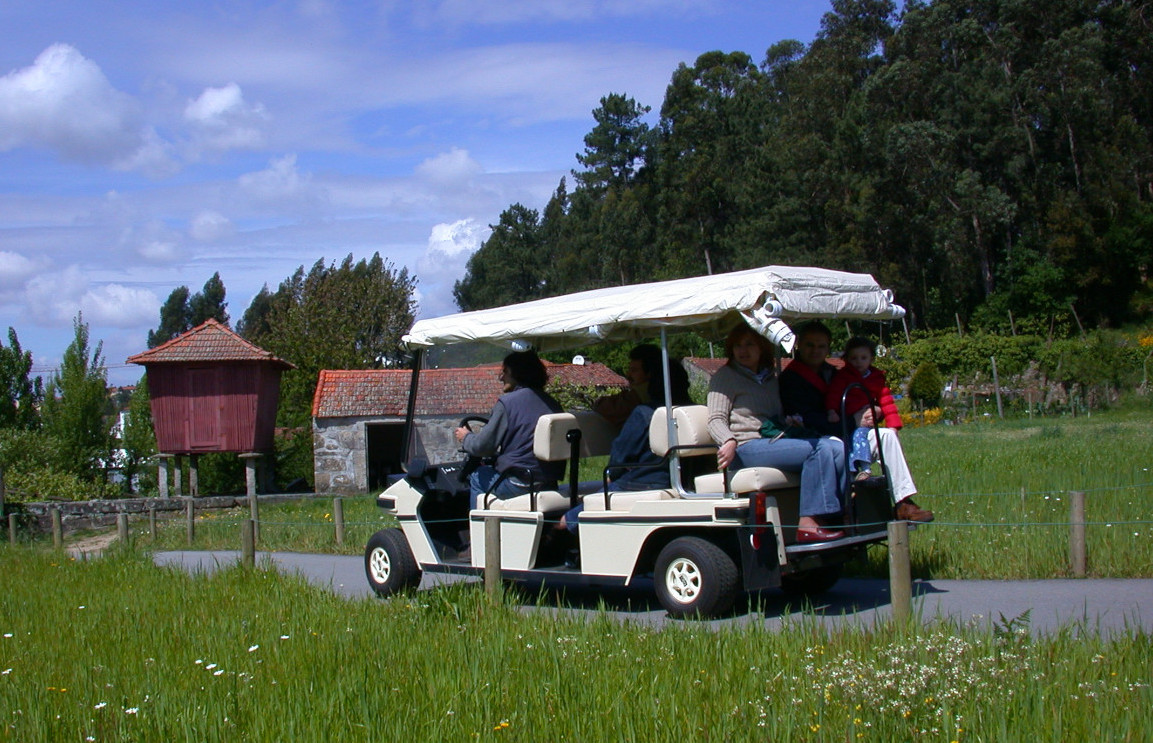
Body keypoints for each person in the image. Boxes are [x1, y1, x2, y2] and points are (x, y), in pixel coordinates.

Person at [706, 323, 847, 543]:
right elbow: (715, 419)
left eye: (749, 344)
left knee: (837, 448)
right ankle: (809, 522)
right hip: (746, 446)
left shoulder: (769, 378)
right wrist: (728, 440)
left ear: (761, 347)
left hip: (773, 441)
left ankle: (840, 516)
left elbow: (774, 417)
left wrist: (790, 422)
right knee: (817, 449)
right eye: (738, 346)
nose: (743, 350)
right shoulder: (726, 376)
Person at [780, 321, 933, 522]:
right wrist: (853, 420)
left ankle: (903, 501)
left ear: (828, 348)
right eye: (810, 345)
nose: (816, 351)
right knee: (834, 447)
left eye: (822, 346)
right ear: (798, 345)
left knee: (885, 436)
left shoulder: (834, 373)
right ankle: (843, 508)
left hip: (848, 431)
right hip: (817, 438)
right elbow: (807, 418)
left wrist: (874, 409)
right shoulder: (790, 379)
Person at [559, 348, 693, 535]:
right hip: (686, 480)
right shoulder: (692, 410)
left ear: (652, 380)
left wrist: (612, 476)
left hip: (645, 481)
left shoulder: (644, 413)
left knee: (568, 520)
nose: (629, 375)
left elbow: (619, 460)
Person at [454, 350, 563, 510]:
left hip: (519, 484)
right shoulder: (553, 404)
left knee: (477, 477)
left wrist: (466, 437)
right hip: (548, 483)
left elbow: (482, 447)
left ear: (516, 372)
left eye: (504, 371)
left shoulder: (507, 403)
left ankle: (479, 532)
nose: (500, 377)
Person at [825, 336, 902, 480]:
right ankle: (855, 469)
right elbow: (834, 395)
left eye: (863, 358)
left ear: (871, 359)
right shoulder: (843, 377)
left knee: (860, 436)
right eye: (854, 358)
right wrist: (832, 411)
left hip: (867, 421)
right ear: (846, 359)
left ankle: (864, 468)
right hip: (848, 418)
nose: (858, 362)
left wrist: (893, 425)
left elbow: (886, 401)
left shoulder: (876, 378)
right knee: (852, 439)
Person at [592, 343, 664, 426]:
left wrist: (597, 402)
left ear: (650, 373)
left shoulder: (641, 394)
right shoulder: (665, 391)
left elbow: (610, 408)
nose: (628, 375)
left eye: (634, 370)